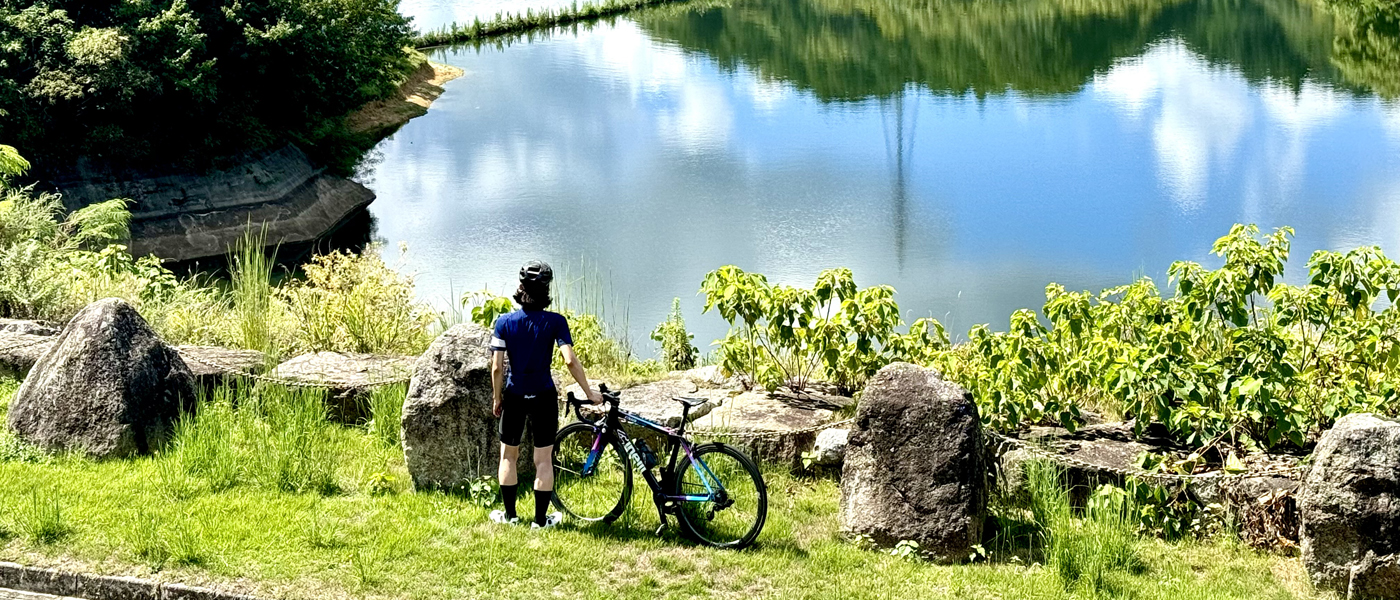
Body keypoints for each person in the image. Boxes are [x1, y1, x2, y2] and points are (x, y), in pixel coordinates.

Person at [488, 260, 602, 528]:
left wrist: (497, 398)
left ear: (521, 287)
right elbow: (570, 361)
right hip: (544, 395)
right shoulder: (556, 322)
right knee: (543, 459)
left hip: (515, 393)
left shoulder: (504, 322)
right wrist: (589, 392)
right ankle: (540, 521)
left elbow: (496, 367)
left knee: (508, 456)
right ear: (546, 289)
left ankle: (511, 516)